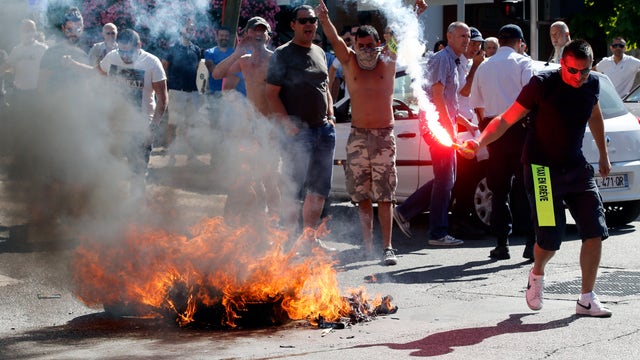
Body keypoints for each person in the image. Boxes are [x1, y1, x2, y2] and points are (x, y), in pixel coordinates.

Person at [463, 39, 612, 317]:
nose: (579, 77)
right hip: (541, 170)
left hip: (576, 167)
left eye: (585, 71)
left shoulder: (592, 85)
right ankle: (537, 273)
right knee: (549, 237)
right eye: (573, 71)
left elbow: (594, 114)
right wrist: (479, 143)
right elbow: (505, 120)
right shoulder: (542, 85)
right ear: (562, 64)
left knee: (595, 231)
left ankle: (586, 299)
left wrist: (603, 154)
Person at [317, 1, 398, 265]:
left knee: (385, 195)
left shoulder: (388, 60)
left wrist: (415, 13)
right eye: (360, 45)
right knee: (362, 195)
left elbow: (399, 37)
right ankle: (367, 246)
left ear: (377, 45)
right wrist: (324, 18)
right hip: (358, 136)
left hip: (384, 136)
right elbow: (334, 38)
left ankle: (387, 247)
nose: (364, 50)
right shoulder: (349, 62)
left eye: (369, 45)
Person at [392, 22, 477, 246]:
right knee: (445, 180)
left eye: (468, 36)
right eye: (462, 35)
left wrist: (464, 121)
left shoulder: (454, 61)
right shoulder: (442, 59)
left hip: (443, 125)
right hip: (437, 127)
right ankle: (437, 233)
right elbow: (437, 96)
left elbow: (450, 100)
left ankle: (404, 211)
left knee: (445, 179)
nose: (466, 40)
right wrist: (447, 128)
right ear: (449, 36)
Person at [265, 4, 336, 252]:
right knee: (294, 189)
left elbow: (325, 85)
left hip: (323, 131)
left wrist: (331, 114)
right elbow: (271, 94)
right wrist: (287, 123)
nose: (309, 24)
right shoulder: (282, 54)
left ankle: (309, 239)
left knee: (318, 190)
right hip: (298, 134)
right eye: (303, 20)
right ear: (293, 24)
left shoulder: (319, 52)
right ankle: (289, 241)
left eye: (313, 20)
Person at [470, 24, 535, 261]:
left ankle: (501, 244)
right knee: (528, 187)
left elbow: (476, 105)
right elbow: (531, 97)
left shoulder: (485, 66)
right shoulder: (523, 63)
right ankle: (531, 243)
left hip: (494, 128)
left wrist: (486, 131)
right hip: (520, 127)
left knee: (498, 189)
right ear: (519, 42)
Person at [211, 16, 281, 223]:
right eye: (254, 30)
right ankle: (245, 220)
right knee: (245, 176)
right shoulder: (243, 61)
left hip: (272, 127)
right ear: (247, 34)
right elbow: (218, 75)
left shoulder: (276, 59)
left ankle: (274, 223)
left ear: (268, 36)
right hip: (250, 128)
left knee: (269, 178)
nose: (259, 34)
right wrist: (237, 52)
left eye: (263, 31)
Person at [98, 29, 168, 197]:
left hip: (140, 128)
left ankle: (135, 214)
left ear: (138, 46)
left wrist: (152, 128)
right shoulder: (112, 57)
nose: (124, 55)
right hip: (114, 126)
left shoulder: (152, 63)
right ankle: (106, 210)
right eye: (121, 50)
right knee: (107, 171)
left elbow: (163, 99)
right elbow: (96, 72)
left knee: (137, 175)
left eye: (128, 51)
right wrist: (74, 65)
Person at [161, 19, 203, 165]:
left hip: (193, 92)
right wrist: (166, 87)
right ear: (181, 30)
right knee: (173, 124)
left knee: (191, 124)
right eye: (188, 29)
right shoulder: (173, 48)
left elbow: (198, 69)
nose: (190, 31)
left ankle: (190, 155)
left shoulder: (197, 49)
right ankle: (171, 156)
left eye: (192, 29)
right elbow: (164, 65)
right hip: (176, 91)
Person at [39, 7, 89, 91]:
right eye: (69, 29)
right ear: (63, 28)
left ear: (82, 29)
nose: (74, 33)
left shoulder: (83, 54)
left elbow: (86, 85)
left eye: (78, 29)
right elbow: (41, 85)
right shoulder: (52, 52)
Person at [2, 19, 48, 103]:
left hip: (35, 94)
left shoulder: (42, 49)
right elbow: (7, 67)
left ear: (35, 31)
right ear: (21, 32)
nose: (29, 33)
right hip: (19, 93)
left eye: (32, 30)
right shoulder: (16, 50)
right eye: (26, 30)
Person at [204, 27, 233, 95]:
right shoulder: (209, 53)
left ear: (229, 38)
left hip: (230, 93)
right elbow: (215, 72)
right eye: (221, 35)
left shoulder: (234, 52)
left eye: (226, 36)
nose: (224, 38)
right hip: (213, 93)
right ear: (217, 37)